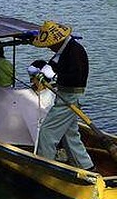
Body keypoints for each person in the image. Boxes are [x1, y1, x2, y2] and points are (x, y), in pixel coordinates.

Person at [32, 20, 94, 170]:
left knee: (47, 132)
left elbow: (74, 77)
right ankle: (86, 166)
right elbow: (52, 65)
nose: (49, 47)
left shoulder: (75, 51)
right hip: (65, 94)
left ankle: (45, 167)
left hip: (70, 97)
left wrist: (55, 77)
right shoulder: (65, 49)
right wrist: (43, 75)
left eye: (50, 44)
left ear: (57, 41)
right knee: (69, 134)